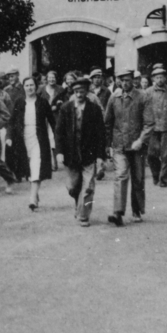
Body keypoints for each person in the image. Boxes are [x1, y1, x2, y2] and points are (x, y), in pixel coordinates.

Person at [55, 77, 106, 227]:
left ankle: (85, 215)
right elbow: (59, 132)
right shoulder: (66, 108)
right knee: (73, 187)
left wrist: (100, 156)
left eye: (82, 92)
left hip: (89, 154)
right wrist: (59, 152)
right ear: (73, 92)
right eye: (76, 92)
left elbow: (101, 134)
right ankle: (79, 203)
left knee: (89, 187)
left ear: (87, 92)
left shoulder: (94, 109)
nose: (79, 95)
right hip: (71, 154)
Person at [104, 71, 152, 225]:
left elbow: (149, 123)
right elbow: (108, 123)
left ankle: (137, 210)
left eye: (128, 80)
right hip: (119, 145)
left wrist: (141, 140)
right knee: (121, 175)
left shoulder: (143, 97)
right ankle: (117, 212)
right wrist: (107, 144)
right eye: (122, 80)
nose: (125, 83)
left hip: (137, 146)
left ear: (134, 81)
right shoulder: (114, 98)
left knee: (138, 179)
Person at [8, 75, 55, 212]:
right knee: (28, 169)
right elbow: (12, 121)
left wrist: (58, 137)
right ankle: (35, 193)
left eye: (32, 85)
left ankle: (32, 199)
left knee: (36, 165)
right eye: (27, 85)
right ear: (24, 88)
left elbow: (52, 121)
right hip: (22, 139)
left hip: (38, 139)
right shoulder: (19, 102)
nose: (30, 88)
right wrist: (9, 137)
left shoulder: (43, 102)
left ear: (36, 87)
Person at [143, 65, 167, 188]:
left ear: (165, 78)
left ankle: (164, 180)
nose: (159, 79)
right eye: (157, 77)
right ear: (153, 79)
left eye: (161, 77)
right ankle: (156, 175)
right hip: (152, 128)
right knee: (151, 155)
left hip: (166, 128)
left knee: (166, 155)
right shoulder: (148, 92)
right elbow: (142, 110)